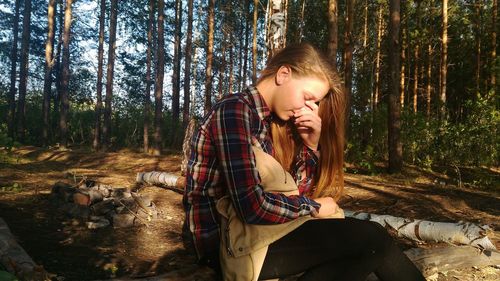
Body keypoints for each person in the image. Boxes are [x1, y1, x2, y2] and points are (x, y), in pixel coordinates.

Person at [183, 43, 425, 281]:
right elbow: (252, 207)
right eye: (308, 97)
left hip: (256, 235)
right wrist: (314, 207)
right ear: (283, 74)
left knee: (368, 249)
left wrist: (310, 145)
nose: (308, 109)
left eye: (314, 104)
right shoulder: (234, 111)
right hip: (224, 245)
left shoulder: (267, 122)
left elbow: (292, 194)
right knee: (372, 239)